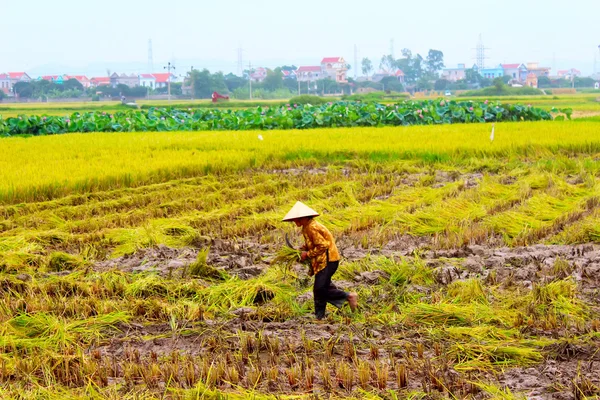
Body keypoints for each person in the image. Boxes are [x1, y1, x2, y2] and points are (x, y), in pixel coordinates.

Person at [283, 201, 358, 320]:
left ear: (305, 217)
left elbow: (323, 245)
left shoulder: (312, 227)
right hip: (322, 261)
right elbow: (313, 243)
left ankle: (348, 297)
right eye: (294, 220)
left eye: (298, 219)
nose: (296, 222)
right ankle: (322, 315)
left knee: (319, 289)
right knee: (324, 287)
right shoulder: (307, 227)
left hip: (328, 261)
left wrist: (307, 254)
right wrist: (303, 249)